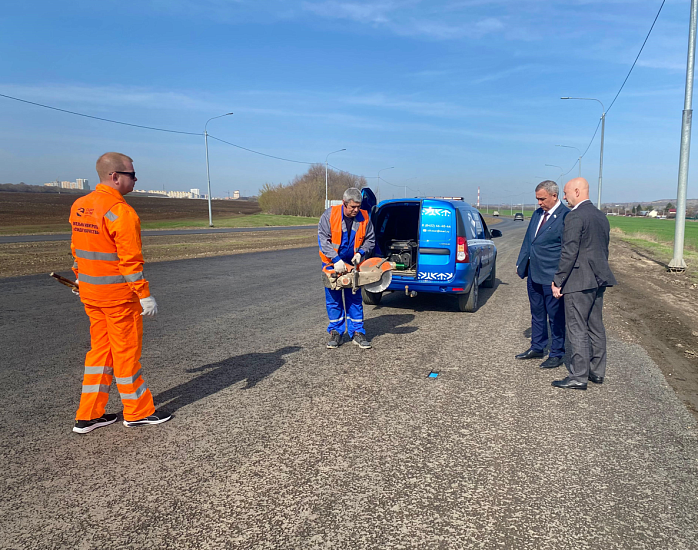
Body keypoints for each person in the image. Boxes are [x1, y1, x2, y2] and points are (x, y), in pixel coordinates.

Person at [69, 152, 171, 433]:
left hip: (92, 295)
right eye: (131, 174)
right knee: (126, 355)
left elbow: (78, 252)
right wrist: (144, 294)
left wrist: (81, 281)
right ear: (114, 177)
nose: (136, 179)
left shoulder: (80, 205)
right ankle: (137, 412)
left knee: (99, 353)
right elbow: (130, 262)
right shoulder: (121, 212)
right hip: (118, 298)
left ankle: (88, 415)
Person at [551, 177, 617, 390]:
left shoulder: (574, 216)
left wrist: (558, 280)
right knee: (595, 326)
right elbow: (601, 249)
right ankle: (597, 372)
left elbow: (569, 251)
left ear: (577, 192)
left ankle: (578, 376)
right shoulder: (601, 216)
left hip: (578, 281)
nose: (564, 197)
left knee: (577, 327)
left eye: (566, 192)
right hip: (598, 278)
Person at [515, 180, 570, 368]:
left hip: (552, 276)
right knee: (537, 313)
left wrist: (560, 278)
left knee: (555, 316)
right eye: (537, 199)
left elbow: (567, 250)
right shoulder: (538, 214)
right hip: (534, 274)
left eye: (542, 199)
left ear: (554, 196)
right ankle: (537, 347)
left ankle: (556, 352)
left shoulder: (565, 217)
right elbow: (529, 241)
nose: (539, 202)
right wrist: (521, 263)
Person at [318, 187, 375, 349]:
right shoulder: (329, 215)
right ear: (344, 203)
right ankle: (336, 333)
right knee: (333, 299)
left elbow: (370, 239)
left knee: (355, 297)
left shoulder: (365, 216)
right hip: (332, 264)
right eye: (353, 207)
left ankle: (357, 332)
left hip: (353, 264)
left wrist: (361, 252)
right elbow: (323, 240)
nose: (356, 210)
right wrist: (335, 259)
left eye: (359, 206)